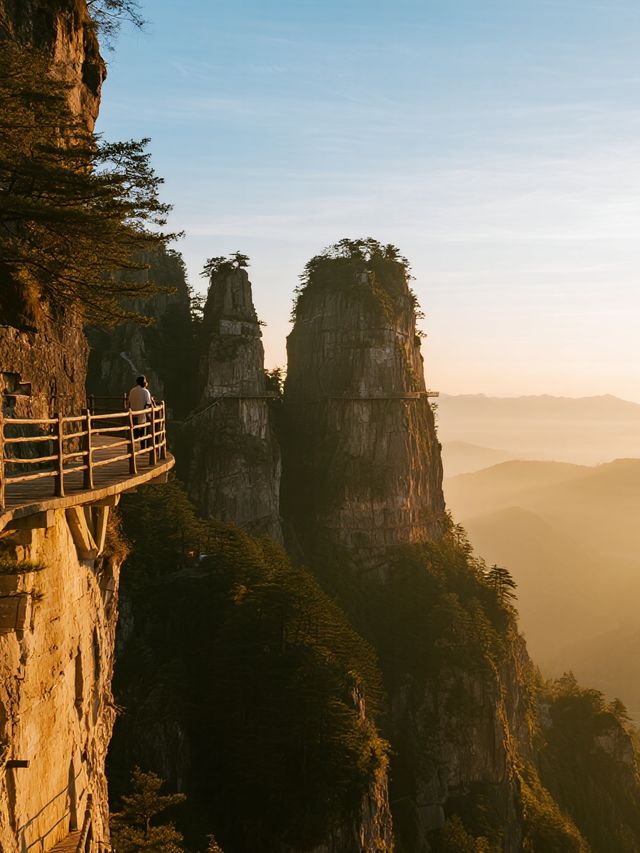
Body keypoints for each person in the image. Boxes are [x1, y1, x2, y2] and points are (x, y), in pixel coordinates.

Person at [128, 375, 153, 448]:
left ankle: (132, 448)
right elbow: (148, 404)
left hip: (133, 416)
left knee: (133, 434)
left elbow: (129, 403)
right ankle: (143, 448)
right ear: (144, 383)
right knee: (143, 434)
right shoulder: (145, 391)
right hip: (142, 417)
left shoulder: (132, 391)